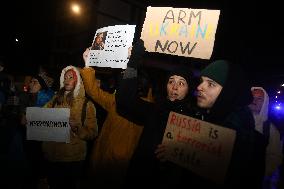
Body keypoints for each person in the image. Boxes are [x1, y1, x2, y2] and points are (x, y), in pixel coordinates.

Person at [115, 39, 196, 188]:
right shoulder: (154, 111)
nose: (174, 87)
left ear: (189, 89)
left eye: (181, 83)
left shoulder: (195, 122)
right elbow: (125, 99)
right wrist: (132, 62)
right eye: (171, 81)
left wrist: (178, 155)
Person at [80, 47, 154, 188]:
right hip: (99, 162)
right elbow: (93, 91)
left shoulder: (146, 109)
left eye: (125, 81)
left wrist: (132, 62)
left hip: (117, 171)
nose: (121, 84)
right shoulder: (116, 101)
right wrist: (87, 64)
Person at [193, 60, 266, 188]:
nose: (199, 87)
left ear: (228, 90)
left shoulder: (237, 126)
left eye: (210, 84)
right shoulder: (209, 114)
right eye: (201, 81)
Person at [42, 65, 98, 189]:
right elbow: (41, 116)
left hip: (72, 159)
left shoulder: (86, 104)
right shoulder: (55, 100)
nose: (67, 80)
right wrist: (29, 119)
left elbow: (93, 132)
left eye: (71, 77)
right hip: (51, 157)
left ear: (77, 80)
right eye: (65, 77)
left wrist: (78, 128)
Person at [249, 87, 283, 189]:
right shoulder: (235, 120)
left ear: (265, 103)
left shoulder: (271, 130)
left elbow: (275, 157)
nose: (254, 100)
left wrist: (258, 172)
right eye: (252, 97)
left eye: (259, 99)